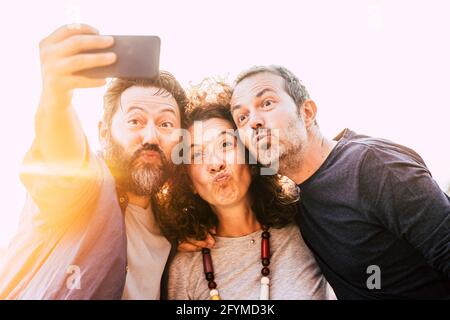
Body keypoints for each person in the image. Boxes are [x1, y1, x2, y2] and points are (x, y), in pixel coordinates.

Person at [225, 65, 450, 299]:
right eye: (242, 117)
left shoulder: (373, 166)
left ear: (307, 112)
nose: (254, 122)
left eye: (267, 103)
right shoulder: (295, 200)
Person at [0, 24, 188, 299]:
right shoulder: (86, 183)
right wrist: (56, 100)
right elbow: (61, 157)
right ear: (103, 132)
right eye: (135, 120)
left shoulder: (172, 233)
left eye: (166, 123)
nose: (151, 136)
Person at [158, 85, 334, 300]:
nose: (215, 163)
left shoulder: (305, 226)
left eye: (225, 144)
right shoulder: (185, 267)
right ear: (190, 182)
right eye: (196, 155)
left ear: (251, 157)